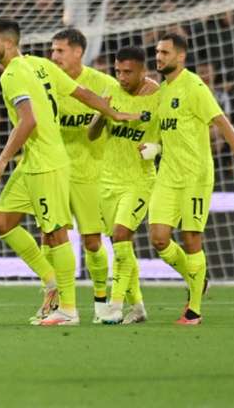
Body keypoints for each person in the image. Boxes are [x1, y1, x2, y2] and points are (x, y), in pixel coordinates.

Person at [0, 19, 137, 326]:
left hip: (46, 163)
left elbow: (28, 122)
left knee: (55, 233)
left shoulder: (11, 76)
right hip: (31, 163)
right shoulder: (41, 65)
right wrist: (112, 112)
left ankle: (68, 309)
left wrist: (0, 160)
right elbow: (81, 93)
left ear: (10, 44)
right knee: (3, 222)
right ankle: (51, 281)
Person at [149, 33, 234, 325]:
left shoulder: (194, 86)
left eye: (165, 52)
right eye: (158, 52)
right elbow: (165, 134)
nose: (159, 57)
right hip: (168, 175)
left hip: (196, 175)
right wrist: (152, 148)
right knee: (158, 238)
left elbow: (223, 122)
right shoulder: (163, 91)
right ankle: (198, 277)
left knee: (191, 237)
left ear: (180, 56)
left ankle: (193, 309)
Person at [49, 28, 119, 322]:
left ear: (78, 52)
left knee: (92, 242)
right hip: (56, 171)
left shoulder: (104, 84)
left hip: (91, 173)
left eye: (60, 51)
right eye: (52, 51)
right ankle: (59, 305)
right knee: (52, 235)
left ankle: (101, 299)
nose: (54, 56)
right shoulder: (48, 83)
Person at [88, 46, 159, 325]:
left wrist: (156, 148)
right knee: (121, 245)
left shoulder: (159, 98)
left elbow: (173, 137)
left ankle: (115, 307)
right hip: (108, 180)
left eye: (127, 72)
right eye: (118, 71)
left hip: (140, 180)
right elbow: (92, 135)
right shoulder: (112, 92)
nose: (121, 77)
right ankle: (138, 306)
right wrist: (102, 113)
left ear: (143, 70)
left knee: (120, 235)